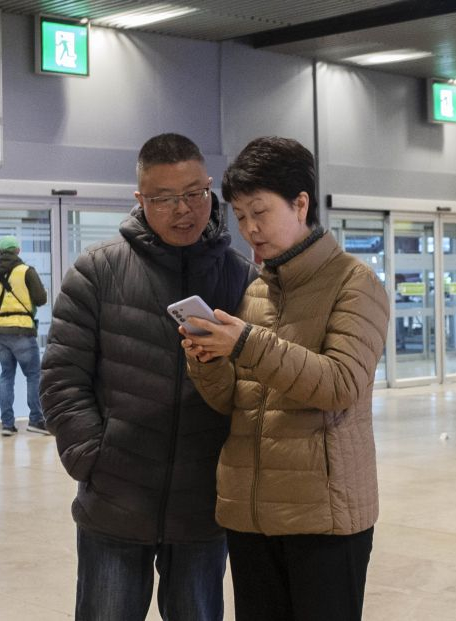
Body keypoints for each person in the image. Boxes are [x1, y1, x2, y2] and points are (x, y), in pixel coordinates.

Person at [39, 133, 257, 621]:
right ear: (140, 200)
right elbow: (61, 378)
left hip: (203, 509)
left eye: (195, 194)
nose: (184, 210)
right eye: (164, 198)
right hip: (115, 502)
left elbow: (256, 386)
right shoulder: (96, 272)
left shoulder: (241, 279)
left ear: (209, 190)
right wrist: (94, 458)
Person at [181, 136, 390, 621]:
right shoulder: (256, 291)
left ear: (301, 204)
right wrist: (208, 361)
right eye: (240, 216)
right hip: (252, 516)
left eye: (260, 212)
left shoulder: (356, 284)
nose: (249, 229)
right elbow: (236, 401)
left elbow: (341, 384)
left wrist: (247, 343)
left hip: (324, 521)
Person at [0, 235, 49, 436]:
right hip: (22, 330)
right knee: (33, 375)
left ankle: (7, 424)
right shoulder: (26, 271)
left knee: (6, 376)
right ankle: (36, 419)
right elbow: (41, 299)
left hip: (0, 333)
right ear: (17, 251)